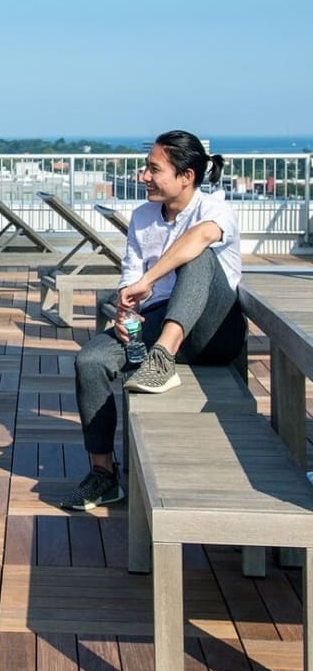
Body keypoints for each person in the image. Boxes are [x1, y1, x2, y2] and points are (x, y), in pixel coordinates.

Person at [61, 130, 246, 512]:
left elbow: (196, 243)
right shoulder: (144, 217)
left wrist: (148, 280)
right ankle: (103, 475)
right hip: (157, 319)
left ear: (186, 176)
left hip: (214, 329)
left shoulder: (215, 209)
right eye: (146, 168)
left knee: (199, 254)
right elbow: (130, 272)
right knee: (90, 361)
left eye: (153, 168)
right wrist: (126, 305)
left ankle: (162, 356)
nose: (142, 176)